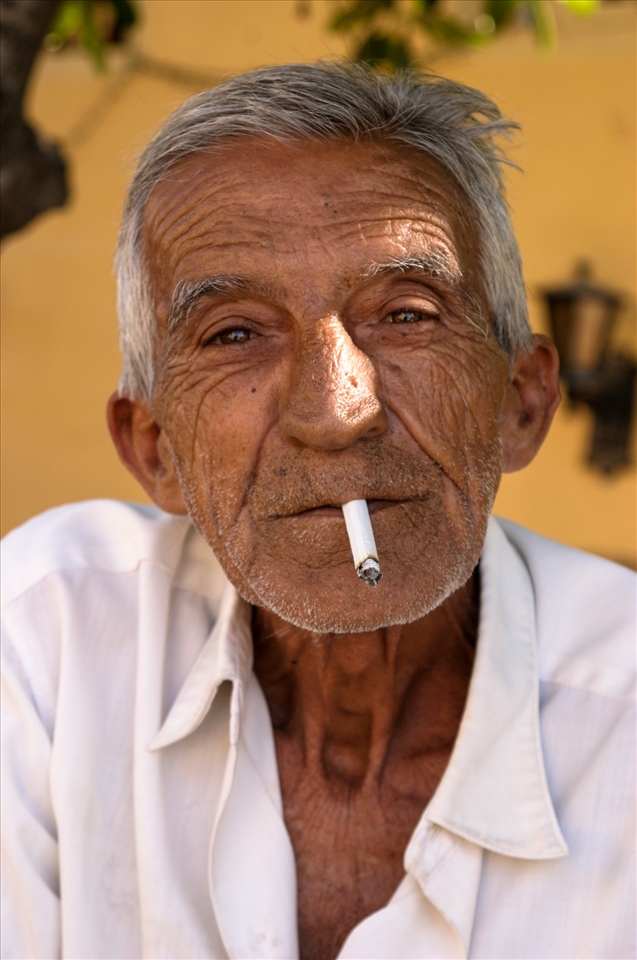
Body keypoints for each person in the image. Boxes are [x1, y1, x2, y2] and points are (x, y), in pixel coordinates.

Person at [1, 62, 634, 960]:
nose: (338, 410)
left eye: (406, 315)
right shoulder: (47, 647)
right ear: (154, 449)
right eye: (233, 334)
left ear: (519, 404)